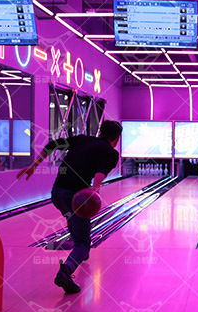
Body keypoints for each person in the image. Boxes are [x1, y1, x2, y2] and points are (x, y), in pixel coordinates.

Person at [17, 120, 123, 294]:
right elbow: (101, 170)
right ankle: (66, 272)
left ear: (100, 133)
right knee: (83, 242)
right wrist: (96, 187)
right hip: (76, 197)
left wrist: (34, 165)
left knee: (71, 217)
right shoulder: (111, 152)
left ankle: (81, 252)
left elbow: (52, 144)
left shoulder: (81, 139)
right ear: (117, 138)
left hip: (57, 193)